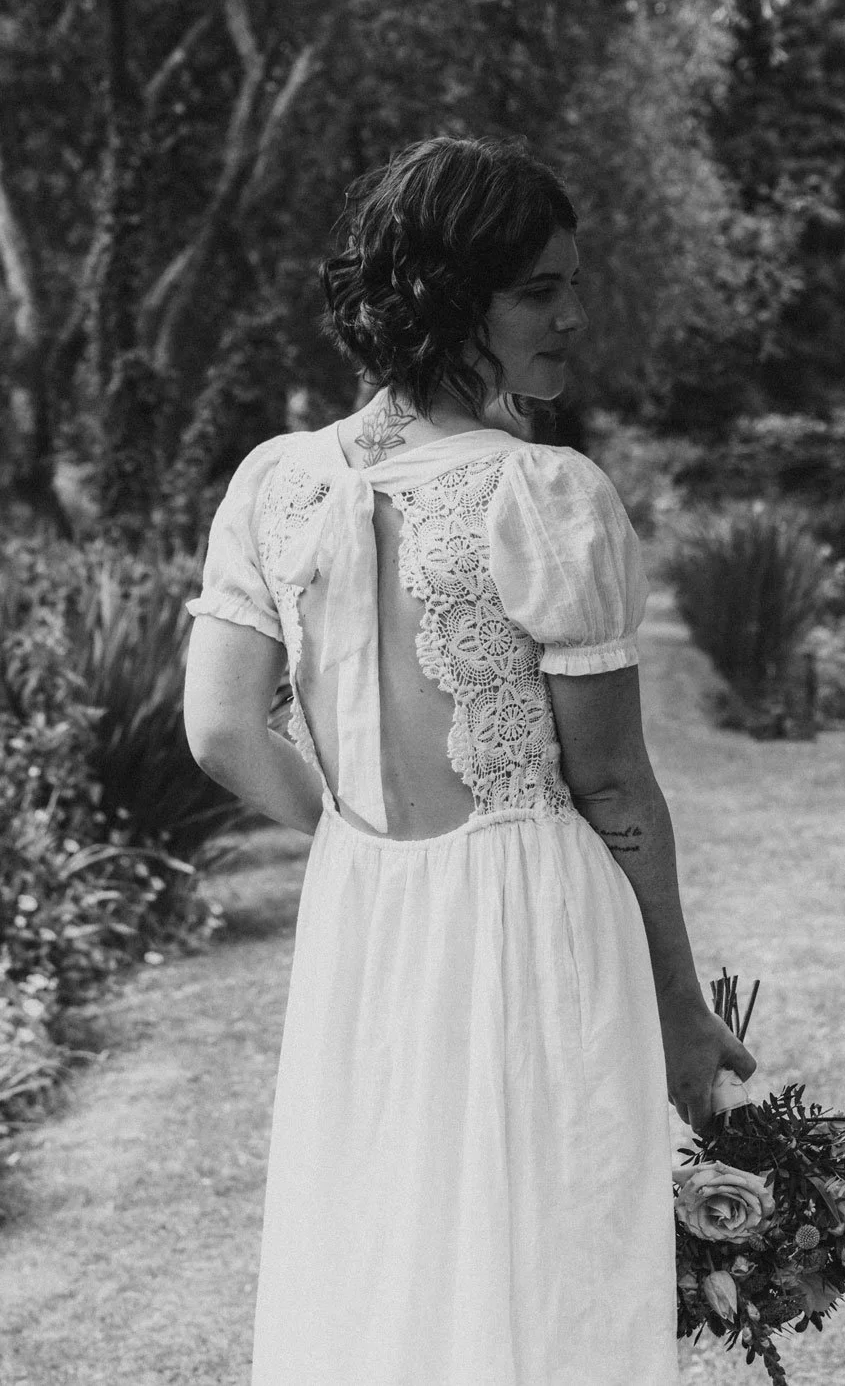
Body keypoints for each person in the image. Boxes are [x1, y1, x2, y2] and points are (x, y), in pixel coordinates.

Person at [182, 136, 755, 1386]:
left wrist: (356, 839)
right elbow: (612, 784)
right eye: (540, 290)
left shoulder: (275, 481)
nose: (573, 316)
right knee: (541, 1256)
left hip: (364, 916)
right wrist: (678, 1006)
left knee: (383, 1240)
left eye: (573, 285)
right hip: (531, 918)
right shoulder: (546, 493)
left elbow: (220, 729)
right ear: (448, 297)